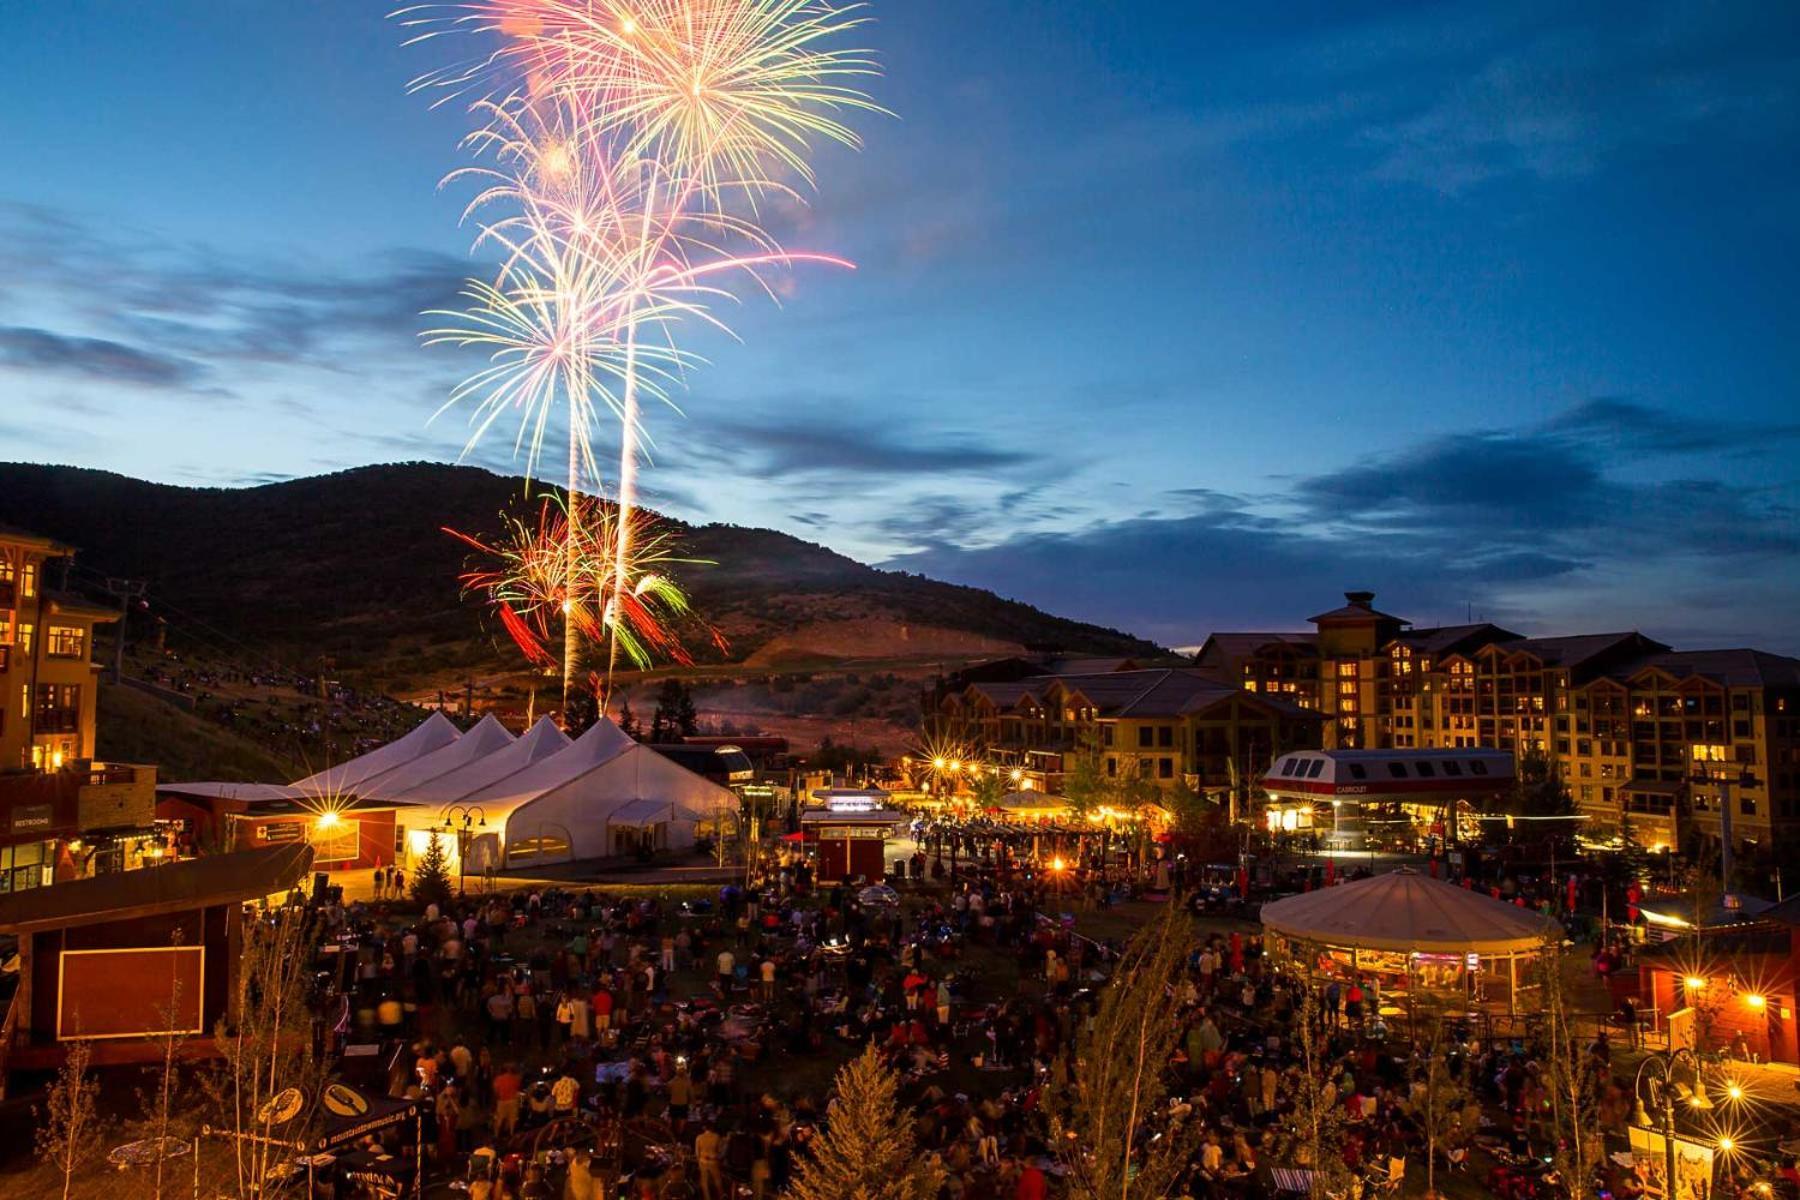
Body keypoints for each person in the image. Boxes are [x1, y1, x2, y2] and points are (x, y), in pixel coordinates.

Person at [695, 1124, 726, 1200]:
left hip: (703, 1161)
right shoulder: (717, 1137)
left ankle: (707, 1198)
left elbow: (697, 1152)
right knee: (717, 1180)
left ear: (704, 1128)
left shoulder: (699, 1137)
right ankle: (721, 1196)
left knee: (704, 1182)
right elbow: (721, 1151)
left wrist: (699, 1161)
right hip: (714, 1161)